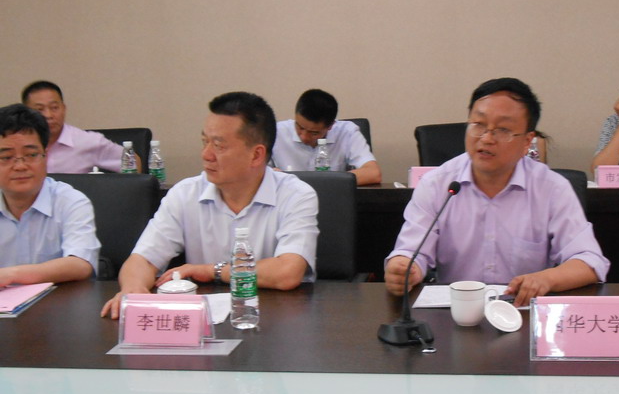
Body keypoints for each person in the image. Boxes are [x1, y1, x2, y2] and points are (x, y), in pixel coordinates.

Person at [385, 78, 609, 307]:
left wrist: (545, 279)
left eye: (503, 130)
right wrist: (404, 268)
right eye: (478, 124)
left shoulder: (552, 188)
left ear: (527, 141)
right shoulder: (438, 184)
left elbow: (589, 261)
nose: (486, 138)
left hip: (523, 313)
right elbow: (411, 252)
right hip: (455, 314)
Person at [101, 91, 319, 319]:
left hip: (278, 319)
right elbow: (142, 260)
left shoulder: (296, 195)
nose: (206, 155)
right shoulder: (185, 194)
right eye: (205, 142)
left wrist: (210, 270)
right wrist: (133, 290)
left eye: (219, 146)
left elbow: (287, 273)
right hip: (203, 323)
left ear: (256, 155)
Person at [0, 103, 99, 285]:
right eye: (6, 157)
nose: (20, 166)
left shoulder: (70, 201)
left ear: (46, 155)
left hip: (56, 301)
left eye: (31, 155)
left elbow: (81, 263)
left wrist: (11, 275)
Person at [22, 80, 140, 173]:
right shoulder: (17, 144)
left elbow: (134, 162)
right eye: (39, 109)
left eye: (54, 108)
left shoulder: (86, 141)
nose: (48, 115)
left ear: (64, 109)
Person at [271, 88, 382, 185]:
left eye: (314, 133)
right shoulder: (276, 132)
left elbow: (373, 173)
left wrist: (321, 183)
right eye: (299, 127)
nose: (304, 137)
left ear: (330, 126)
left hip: (332, 198)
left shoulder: (347, 132)